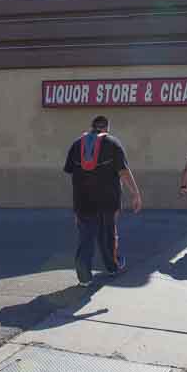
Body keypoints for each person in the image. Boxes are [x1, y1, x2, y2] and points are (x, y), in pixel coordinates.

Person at [63, 115, 143, 287]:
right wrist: (135, 193)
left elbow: (71, 172)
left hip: (83, 200)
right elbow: (123, 172)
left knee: (86, 236)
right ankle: (112, 267)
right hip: (109, 200)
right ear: (107, 128)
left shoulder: (77, 144)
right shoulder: (113, 143)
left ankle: (84, 275)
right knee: (108, 235)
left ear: (91, 127)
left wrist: (76, 206)